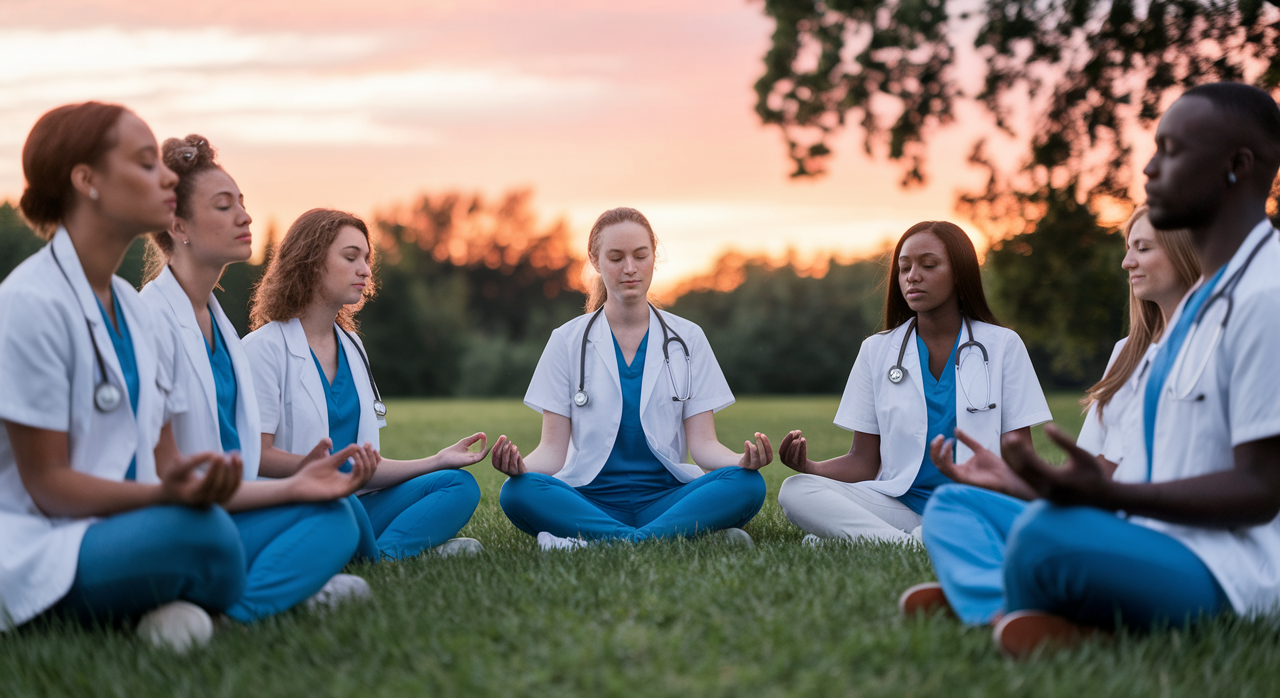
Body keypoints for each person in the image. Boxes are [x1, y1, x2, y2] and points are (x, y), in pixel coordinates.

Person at [986, 82, 1280, 656]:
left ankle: (1009, 608)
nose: (1148, 168)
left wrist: (1107, 497)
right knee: (1009, 518)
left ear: (1236, 166)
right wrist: (1076, 491)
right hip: (1156, 540)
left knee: (1042, 540)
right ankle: (1047, 615)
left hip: (1231, 572)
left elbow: (1262, 490)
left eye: (1171, 151)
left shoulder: (1268, 295)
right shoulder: (1200, 303)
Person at [0, 102, 244, 651]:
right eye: (144, 163)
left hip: (120, 527)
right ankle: (204, 604)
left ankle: (164, 608)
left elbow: (163, 462)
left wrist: (190, 484)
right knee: (205, 538)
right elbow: (48, 487)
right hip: (38, 541)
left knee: (266, 524)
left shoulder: (134, 311)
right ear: (86, 180)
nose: (167, 177)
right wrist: (166, 499)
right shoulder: (28, 301)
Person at [901, 205, 1199, 628]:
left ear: (1187, 253)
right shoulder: (1124, 356)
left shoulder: (1215, 350)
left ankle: (1008, 593)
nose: (1126, 261)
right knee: (952, 504)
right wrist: (1018, 482)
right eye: (1128, 248)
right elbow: (1096, 473)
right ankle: (1002, 603)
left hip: (1150, 533)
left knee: (1044, 532)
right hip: (1105, 520)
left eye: (1142, 248)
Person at [140, 135, 380, 620]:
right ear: (177, 225)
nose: (245, 217)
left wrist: (303, 478)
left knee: (337, 513)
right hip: (177, 516)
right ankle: (241, 613)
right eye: (224, 206)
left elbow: (240, 458)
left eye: (243, 204)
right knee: (332, 515)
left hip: (229, 507)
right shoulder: (150, 318)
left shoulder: (219, 324)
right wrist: (294, 482)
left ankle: (261, 592)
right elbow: (157, 468)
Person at [492, 207, 770, 548]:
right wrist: (520, 467)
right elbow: (552, 451)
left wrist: (742, 461)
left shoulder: (688, 338)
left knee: (748, 484)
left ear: (655, 256)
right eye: (616, 257)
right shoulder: (566, 341)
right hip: (588, 500)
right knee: (517, 492)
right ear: (595, 261)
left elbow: (703, 445)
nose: (630, 268)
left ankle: (602, 541)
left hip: (669, 497)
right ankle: (672, 537)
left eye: (641, 255)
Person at [775, 221, 1052, 544]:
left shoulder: (1003, 345)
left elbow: (1019, 456)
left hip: (976, 504)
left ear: (960, 273)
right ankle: (910, 544)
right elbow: (864, 462)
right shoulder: (876, 350)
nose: (912, 277)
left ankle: (862, 539)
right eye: (904, 268)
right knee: (797, 490)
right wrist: (809, 466)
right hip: (902, 504)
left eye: (928, 265)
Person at [243, 208, 487, 561]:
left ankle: (382, 557)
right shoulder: (261, 349)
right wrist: (316, 472)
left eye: (367, 259)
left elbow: (365, 469)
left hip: (355, 501)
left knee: (457, 484)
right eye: (351, 257)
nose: (366, 270)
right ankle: (396, 553)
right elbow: (254, 456)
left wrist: (437, 459)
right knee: (344, 508)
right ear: (310, 262)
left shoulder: (353, 346)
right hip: (298, 506)